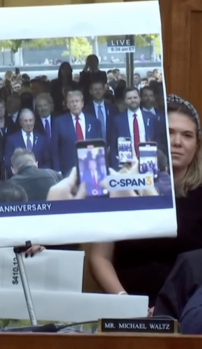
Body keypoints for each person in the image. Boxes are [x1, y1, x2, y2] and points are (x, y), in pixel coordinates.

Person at [88, 94, 202, 313]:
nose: (177, 142)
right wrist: (127, 303)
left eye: (187, 135)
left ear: (197, 145)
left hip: (190, 311)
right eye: (169, 133)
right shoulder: (122, 187)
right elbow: (99, 257)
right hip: (128, 306)